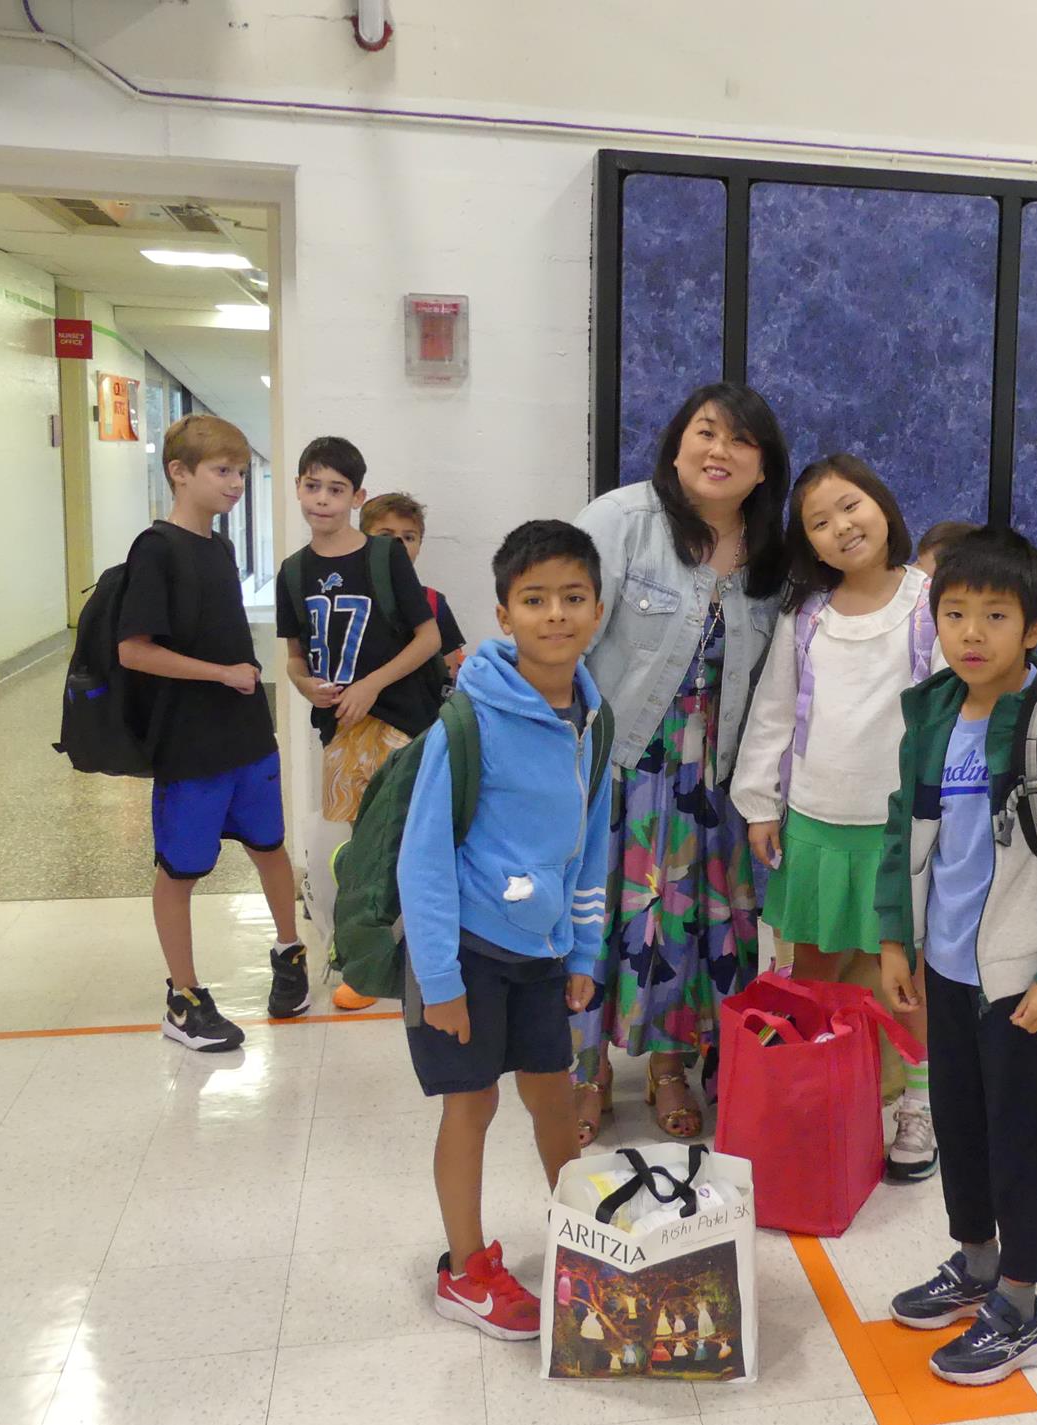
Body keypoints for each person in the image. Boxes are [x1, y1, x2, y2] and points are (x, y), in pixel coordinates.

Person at [876, 527, 1037, 1386]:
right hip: (947, 967)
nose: (972, 631)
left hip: (1023, 974)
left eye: (995, 614)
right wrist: (891, 936)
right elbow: (902, 835)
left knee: (1018, 1135)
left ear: (1036, 625)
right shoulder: (933, 712)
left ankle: (1024, 1301)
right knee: (959, 1120)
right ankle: (977, 1262)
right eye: (955, 613)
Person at [399, 520, 611, 1343]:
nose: (554, 614)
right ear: (503, 613)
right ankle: (465, 1270)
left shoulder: (593, 717)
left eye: (572, 597)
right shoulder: (469, 720)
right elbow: (424, 862)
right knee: (472, 1101)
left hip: (544, 951)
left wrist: (583, 950)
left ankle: (587, 1240)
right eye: (534, 599)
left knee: (553, 1097)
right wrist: (443, 980)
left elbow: (590, 845)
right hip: (468, 951)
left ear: (596, 610)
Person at [570, 383, 790, 1143]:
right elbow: (560, 632)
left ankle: (668, 1060)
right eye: (705, 432)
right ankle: (586, 1068)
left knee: (685, 923)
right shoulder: (621, 520)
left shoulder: (772, 558)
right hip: (617, 766)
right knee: (596, 919)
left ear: (765, 468)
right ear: (676, 445)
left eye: (740, 440)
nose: (718, 451)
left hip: (709, 781)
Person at [731, 454, 939, 1182]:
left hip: (900, 833)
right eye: (819, 522)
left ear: (881, 505)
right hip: (816, 822)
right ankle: (815, 1092)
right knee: (810, 973)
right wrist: (760, 799)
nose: (841, 526)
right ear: (809, 545)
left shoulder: (930, 603)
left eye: (850, 505)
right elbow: (774, 710)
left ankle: (918, 1106)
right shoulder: (806, 614)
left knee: (903, 979)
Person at [115, 414, 305, 1050]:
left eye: (242, 473)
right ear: (180, 472)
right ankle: (184, 999)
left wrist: (235, 680)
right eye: (222, 471)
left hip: (246, 737)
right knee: (181, 871)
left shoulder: (221, 548)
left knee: (270, 847)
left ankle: (290, 952)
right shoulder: (157, 548)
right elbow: (134, 651)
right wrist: (220, 674)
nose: (236, 484)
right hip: (190, 743)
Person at [276, 439, 443, 1011]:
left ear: (357, 496)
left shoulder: (382, 556)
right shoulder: (293, 571)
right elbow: (295, 658)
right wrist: (305, 686)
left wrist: (372, 683)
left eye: (336, 489)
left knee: (408, 846)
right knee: (352, 853)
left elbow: (430, 639)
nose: (322, 500)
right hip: (340, 735)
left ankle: (419, 960)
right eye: (312, 486)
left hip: (402, 727)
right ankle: (359, 959)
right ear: (297, 487)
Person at [361, 491, 469, 681]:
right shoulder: (351, 597)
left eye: (409, 537)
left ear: (420, 545)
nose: (398, 544)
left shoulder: (434, 602)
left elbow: (449, 671)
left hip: (419, 707)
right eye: (386, 535)